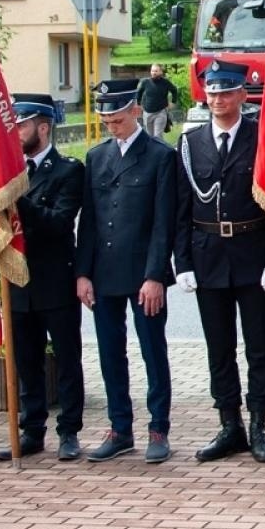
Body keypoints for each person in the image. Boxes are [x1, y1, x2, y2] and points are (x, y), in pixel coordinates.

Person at [176, 60, 265, 464]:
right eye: (212, 92)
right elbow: (182, 207)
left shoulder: (264, 139)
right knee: (218, 346)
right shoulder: (190, 144)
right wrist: (182, 262)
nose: (218, 99)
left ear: (243, 95)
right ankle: (229, 423)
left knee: (259, 345)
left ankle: (259, 423)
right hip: (208, 255)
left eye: (226, 92)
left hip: (253, 251)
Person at [77, 78, 178, 464]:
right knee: (109, 352)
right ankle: (120, 427)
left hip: (142, 271)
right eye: (105, 120)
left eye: (117, 119)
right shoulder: (96, 157)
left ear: (135, 111)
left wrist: (156, 275)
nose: (111, 126)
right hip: (104, 271)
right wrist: (82, 272)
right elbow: (89, 220)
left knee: (153, 350)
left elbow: (162, 223)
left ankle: (158, 428)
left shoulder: (159, 156)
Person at [0, 94, 87, 463]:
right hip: (18, 280)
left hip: (54, 280)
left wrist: (18, 200)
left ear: (43, 127)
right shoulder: (8, 173)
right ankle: (31, 430)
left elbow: (59, 222)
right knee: (26, 360)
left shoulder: (67, 170)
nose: (16, 131)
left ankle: (69, 432)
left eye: (23, 124)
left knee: (66, 359)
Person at [137, 64, 182, 140]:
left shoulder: (165, 82)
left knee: (157, 136)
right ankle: (151, 151)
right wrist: (138, 104)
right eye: (152, 71)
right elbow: (139, 92)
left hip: (160, 112)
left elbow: (174, 90)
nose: (154, 73)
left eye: (156, 71)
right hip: (147, 113)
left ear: (161, 72)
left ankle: (159, 151)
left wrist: (173, 102)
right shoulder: (146, 82)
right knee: (149, 136)